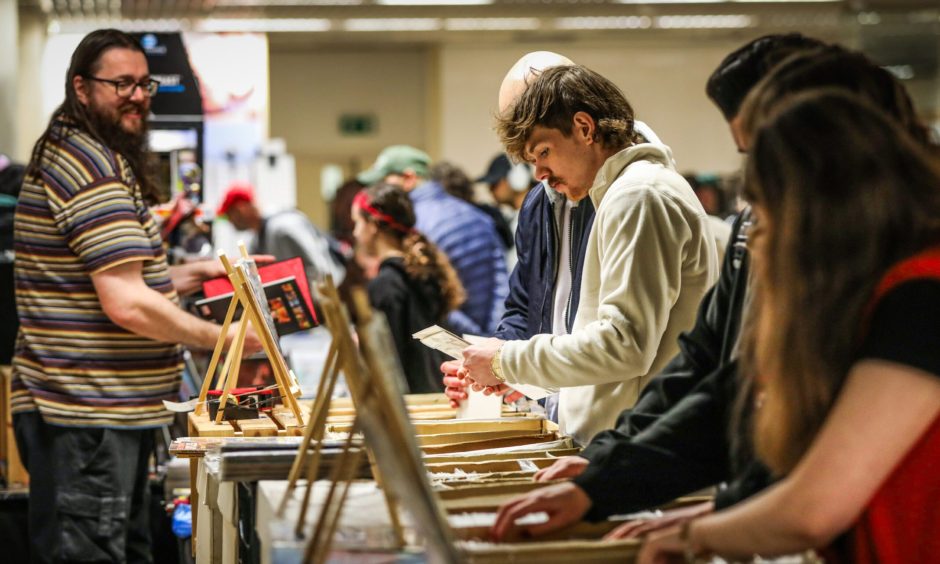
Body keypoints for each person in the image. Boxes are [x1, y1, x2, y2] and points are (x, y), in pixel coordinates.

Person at [492, 40, 938, 546]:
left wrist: (700, 528)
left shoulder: (919, 289)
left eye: (768, 181)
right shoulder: (834, 274)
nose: (752, 218)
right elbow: (726, 389)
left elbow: (813, 505)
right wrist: (601, 482)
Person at [640, 88, 940, 564]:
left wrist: (695, 537)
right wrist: (715, 515)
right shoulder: (861, 297)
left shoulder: (922, 296)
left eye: (766, 210)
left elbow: (814, 507)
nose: (755, 234)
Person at [11, 29, 263, 562]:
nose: (137, 96)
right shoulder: (89, 166)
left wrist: (202, 273)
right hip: (87, 414)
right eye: (120, 84)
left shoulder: (95, 153)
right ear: (81, 88)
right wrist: (224, 340)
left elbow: (116, 275)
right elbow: (125, 301)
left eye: (144, 84)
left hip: (104, 411)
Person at [458, 63, 719, 445]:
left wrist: (505, 361)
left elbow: (624, 345)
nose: (540, 174)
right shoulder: (621, 193)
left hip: (641, 448)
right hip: (623, 443)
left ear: (584, 128)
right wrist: (514, 373)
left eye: (543, 151)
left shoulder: (638, 196)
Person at [357, 145, 508, 336]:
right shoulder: (477, 215)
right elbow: (502, 282)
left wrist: (470, 337)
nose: (376, 191)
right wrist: (492, 338)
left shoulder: (413, 224)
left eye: (383, 181)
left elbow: (429, 299)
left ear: (409, 178)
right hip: (490, 337)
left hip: (455, 346)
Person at [352, 182, 463, 394]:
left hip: (410, 409)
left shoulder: (385, 285)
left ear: (373, 225)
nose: (356, 233)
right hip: (437, 396)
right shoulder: (423, 273)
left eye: (357, 223)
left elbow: (386, 366)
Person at [217, 183, 347, 286]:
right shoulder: (258, 237)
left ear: (241, 209)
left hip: (326, 306)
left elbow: (318, 271)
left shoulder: (283, 227)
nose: (230, 221)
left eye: (229, 215)